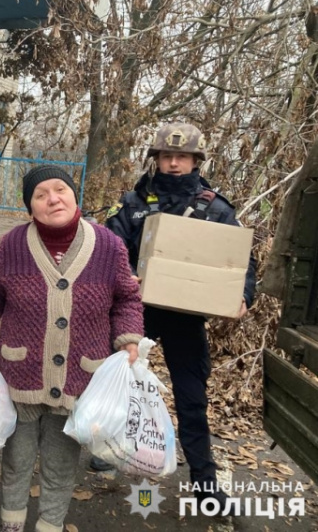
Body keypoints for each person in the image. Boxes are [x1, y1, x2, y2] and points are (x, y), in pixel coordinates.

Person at [0, 165, 144, 532]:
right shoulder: (13, 244)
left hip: (79, 375)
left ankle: (50, 524)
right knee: (17, 456)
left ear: (75, 196)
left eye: (60, 190)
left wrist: (129, 339)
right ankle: (11, 520)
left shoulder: (108, 245)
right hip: (21, 373)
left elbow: (127, 298)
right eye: (40, 195)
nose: (52, 199)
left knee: (61, 462)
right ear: (31, 207)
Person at [105, 123, 257, 513]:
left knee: (192, 401)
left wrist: (243, 294)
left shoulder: (216, 208)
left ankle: (207, 488)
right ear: (155, 159)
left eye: (182, 157)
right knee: (115, 384)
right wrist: (122, 276)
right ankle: (104, 449)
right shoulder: (133, 203)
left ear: (195, 160)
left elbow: (242, 260)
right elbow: (108, 247)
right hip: (136, 312)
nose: (174, 163)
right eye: (166, 156)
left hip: (187, 320)